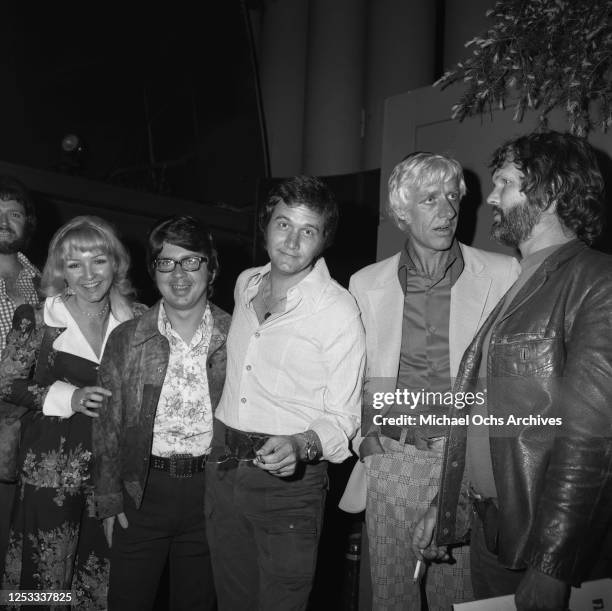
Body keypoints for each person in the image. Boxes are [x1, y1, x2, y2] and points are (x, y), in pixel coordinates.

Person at [413, 131, 612, 611]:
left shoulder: (597, 281)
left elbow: (592, 438)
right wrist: (448, 507)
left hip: (542, 547)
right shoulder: (523, 279)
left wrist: (552, 564)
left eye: (505, 183)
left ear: (551, 191)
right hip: (495, 535)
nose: (492, 199)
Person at [338, 152, 519, 610]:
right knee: (391, 600)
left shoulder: (502, 274)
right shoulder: (366, 282)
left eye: (453, 197)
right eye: (430, 199)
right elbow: (357, 373)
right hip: (393, 458)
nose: (447, 210)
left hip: (464, 463)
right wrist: (366, 440)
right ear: (402, 210)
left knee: (456, 600)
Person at [205, 176, 366, 610]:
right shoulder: (245, 284)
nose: (292, 242)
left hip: (288, 486)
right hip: (222, 467)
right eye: (283, 225)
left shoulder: (337, 309)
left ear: (323, 239)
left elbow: (345, 416)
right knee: (231, 601)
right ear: (265, 226)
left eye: (307, 231)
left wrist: (302, 444)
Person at [0, 215, 142, 608]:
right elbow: (7, 382)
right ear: (60, 270)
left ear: (116, 262)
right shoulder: (38, 316)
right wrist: (69, 397)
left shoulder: (140, 319)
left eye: (98, 260)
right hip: (50, 470)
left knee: (99, 579)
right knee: (45, 582)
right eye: (73, 264)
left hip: (112, 474)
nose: (88, 274)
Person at [93, 215, 230, 610]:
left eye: (192, 261)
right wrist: (107, 498)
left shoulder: (237, 335)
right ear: (154, 271)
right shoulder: (127, 338)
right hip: (140, 492)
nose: (179, 274)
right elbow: (107, 423)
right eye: (166, 263)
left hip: (211, 495)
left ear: (212, 266)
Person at [0, 176, 41, 578]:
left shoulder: (49, 283)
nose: (4, 221)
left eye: (13, 213)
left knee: (21, 541)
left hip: (31, 428)